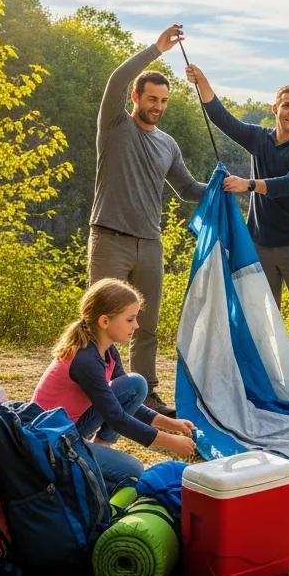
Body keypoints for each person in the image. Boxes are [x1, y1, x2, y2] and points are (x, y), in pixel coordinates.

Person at [89, 23, 207, 417]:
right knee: (98, 321)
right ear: (136, 98)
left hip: (149, 244)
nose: (157, 106)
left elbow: (188, 187)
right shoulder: (115, 126)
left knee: (146, 325)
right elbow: (117, 77)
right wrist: (156, 49)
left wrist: (227, 187)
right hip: (110, 237)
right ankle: (93, 391)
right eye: (151, 98)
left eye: (164, 100)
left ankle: (145, 396)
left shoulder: (167, 144)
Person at [183, 63, 289, 387]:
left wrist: (248, 184)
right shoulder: (258, 139)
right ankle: (267, 380)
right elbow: (222, 118)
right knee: (261, 317)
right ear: (275, 108)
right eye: (287, 106)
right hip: (260, 243)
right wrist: (203, 81)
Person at [33, 278, 197, 492]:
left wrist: (172, 424)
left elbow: (127, 399)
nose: (136, 325)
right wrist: (169, 442)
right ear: (104, 321)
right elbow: (117, 418)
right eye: (130, 319)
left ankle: (97, 450)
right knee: (134, 471)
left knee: (135, 385)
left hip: (72, 429)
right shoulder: (85, 360)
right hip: (52, 443)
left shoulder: (108, 350)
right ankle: (81, 463)